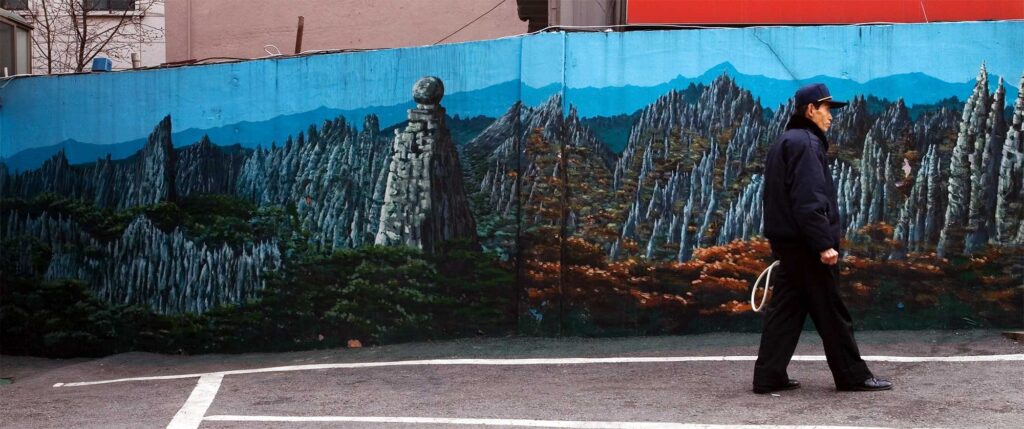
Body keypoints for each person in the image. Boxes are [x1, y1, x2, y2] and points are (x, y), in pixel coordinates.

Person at [753, 83, 892, 394]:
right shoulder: (806, 144)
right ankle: (852, 375)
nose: (831, 116)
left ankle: (768, 375)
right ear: (811, 109)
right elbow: (809, 199)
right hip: (807, 246)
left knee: (785, 312)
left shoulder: (785, 142)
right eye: (827, 109)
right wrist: (823, 244)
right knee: (831, 310)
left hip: (790, 244)